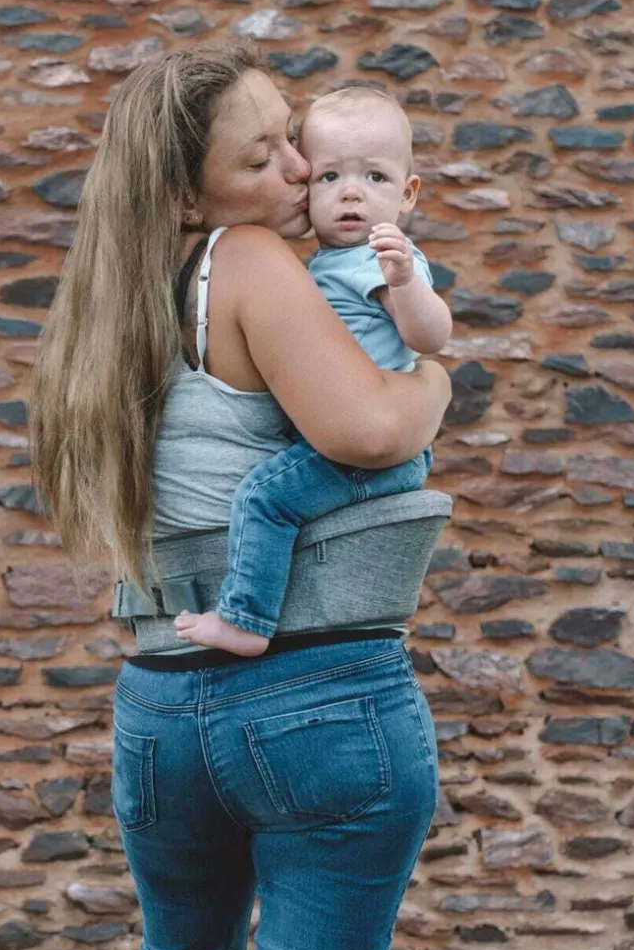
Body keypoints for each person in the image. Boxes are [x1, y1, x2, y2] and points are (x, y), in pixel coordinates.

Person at [29, 42, 451, 950]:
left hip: (160, 699)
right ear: (187, 194)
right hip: (314, 693)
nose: (302, 172)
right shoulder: (249, 257)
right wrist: (435, 380)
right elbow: (367, 432)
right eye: (262, 159)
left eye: (290, 140)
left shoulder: (114, 296)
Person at [173, 85, 453, 656]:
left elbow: (430, 337)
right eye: (329, 177)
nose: (350, 192)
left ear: (407, 194)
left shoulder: (380, 256)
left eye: (375, 177)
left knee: (265, 498)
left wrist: (405, 286)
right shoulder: (319, 264)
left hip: (369, 457)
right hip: (348, 449)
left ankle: (247, 619)